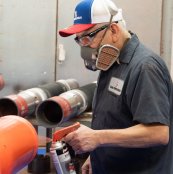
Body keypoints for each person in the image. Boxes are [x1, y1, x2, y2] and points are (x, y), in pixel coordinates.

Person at [59, 0, 173, 173]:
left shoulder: (144, 67)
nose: (85, 48)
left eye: (88, 38)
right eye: (80, 40)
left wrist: (97, 138)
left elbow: (158, 133)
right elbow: (117, 120)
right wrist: (96, 154)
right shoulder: (111, 62)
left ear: (113, 30)